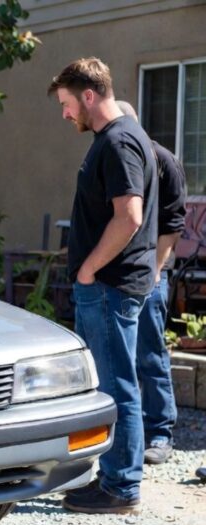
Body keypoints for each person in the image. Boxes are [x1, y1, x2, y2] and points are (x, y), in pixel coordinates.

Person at [48, 58, 158, 514]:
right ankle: (113, 478)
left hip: (110, 286)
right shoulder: (119, 137)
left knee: (116, 386)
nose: (65, 114)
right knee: (113, 382)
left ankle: (120, 487)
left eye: (66, 103)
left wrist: (89, 269)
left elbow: (129, 217)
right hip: (111, 284)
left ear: (88, 96)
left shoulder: (118, 140)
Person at [117, 100, 186, 465]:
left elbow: (174, 223)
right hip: (117, 274)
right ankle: (126, 432)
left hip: (150, 273)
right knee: (119, 358)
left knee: (150, 352)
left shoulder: (162, 161)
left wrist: (156, 269)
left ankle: (160, 431)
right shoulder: (112, 157)